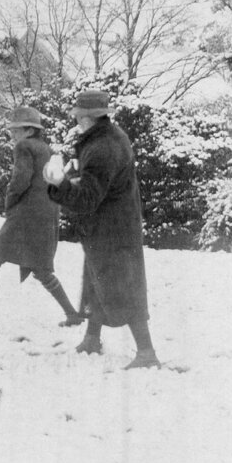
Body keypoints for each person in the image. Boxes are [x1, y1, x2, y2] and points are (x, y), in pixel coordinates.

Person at [43, 89, 160, 370]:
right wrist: (75, 171)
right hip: (115, 225)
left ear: (85, 117)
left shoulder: (101, 148)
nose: (76, 121)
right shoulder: (110, 138)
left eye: (78, 116)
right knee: (97, 281)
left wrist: (60, 184)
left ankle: (146, 353)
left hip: (111, 230)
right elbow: (100, 180)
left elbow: (87, 198)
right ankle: (92, 339)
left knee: (123, 288)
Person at [0, 107, 84, 332]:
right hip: (48, 214)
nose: (12, 135)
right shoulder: (47, 149)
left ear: (29, 130)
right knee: (41, 268)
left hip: (25, 215)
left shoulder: (24, 147)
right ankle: (72, 314)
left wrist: (9, 201)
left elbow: (20, 179)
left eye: (16, 130)